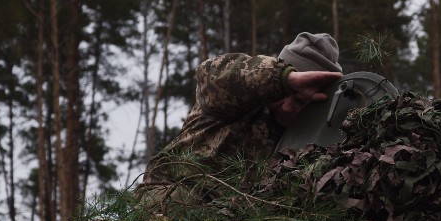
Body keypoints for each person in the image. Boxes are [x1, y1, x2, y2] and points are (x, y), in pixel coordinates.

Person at [146, 31, 344, 181]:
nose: (287, 107)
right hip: (168, 208)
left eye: (301, 102)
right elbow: (210, 74)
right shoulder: (237, 99)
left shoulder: (309, 141)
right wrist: (284, 78)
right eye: (285, 94)